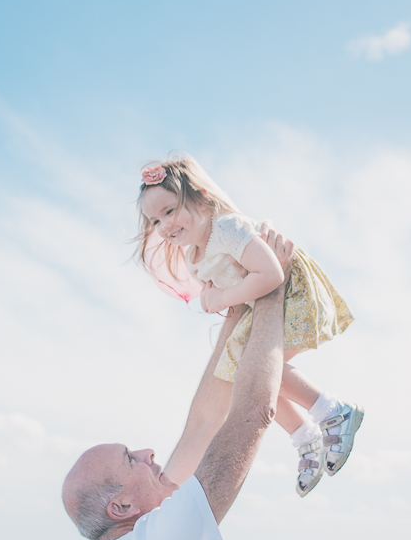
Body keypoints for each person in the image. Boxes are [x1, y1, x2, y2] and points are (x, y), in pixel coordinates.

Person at [63, 228, 293, 540]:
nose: (148, 452)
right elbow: (254, 412)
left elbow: (203, 422)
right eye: (129, 459)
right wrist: (271, 288)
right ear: (121, 508)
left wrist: (236, 311)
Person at [135, 154, 363, 496]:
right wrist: (215, 297)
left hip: (293, 295)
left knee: (254, 370)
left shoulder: (226, 228)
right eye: (155, 220)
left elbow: (271, 273)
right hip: (261, 306)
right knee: (244, 375)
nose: (164, 225)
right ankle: (305, 436)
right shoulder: (192, 257)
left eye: (170, 211)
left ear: (200, 197)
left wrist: (221, 297)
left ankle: (332, 411)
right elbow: (223, 291)